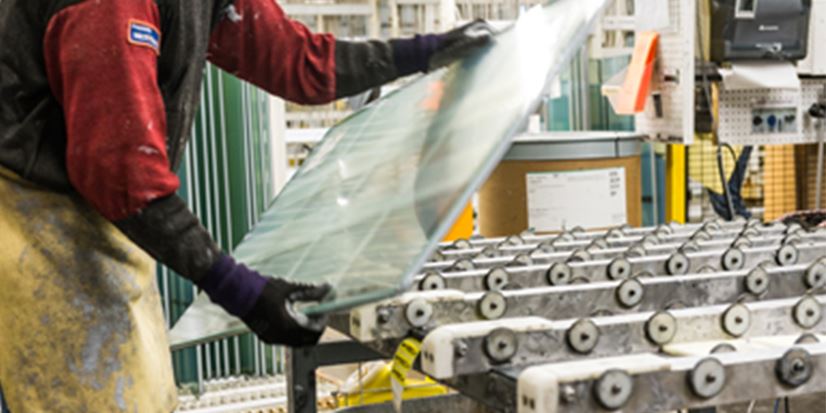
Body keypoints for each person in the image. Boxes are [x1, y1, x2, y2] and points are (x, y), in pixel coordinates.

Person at [0, 0, 493, 411]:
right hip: (36, 218)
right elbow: (121, 172)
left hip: (96, 210)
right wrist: (241, 291)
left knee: (143, 396)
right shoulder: (108, 6)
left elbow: (296, 61)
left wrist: (427, 52)